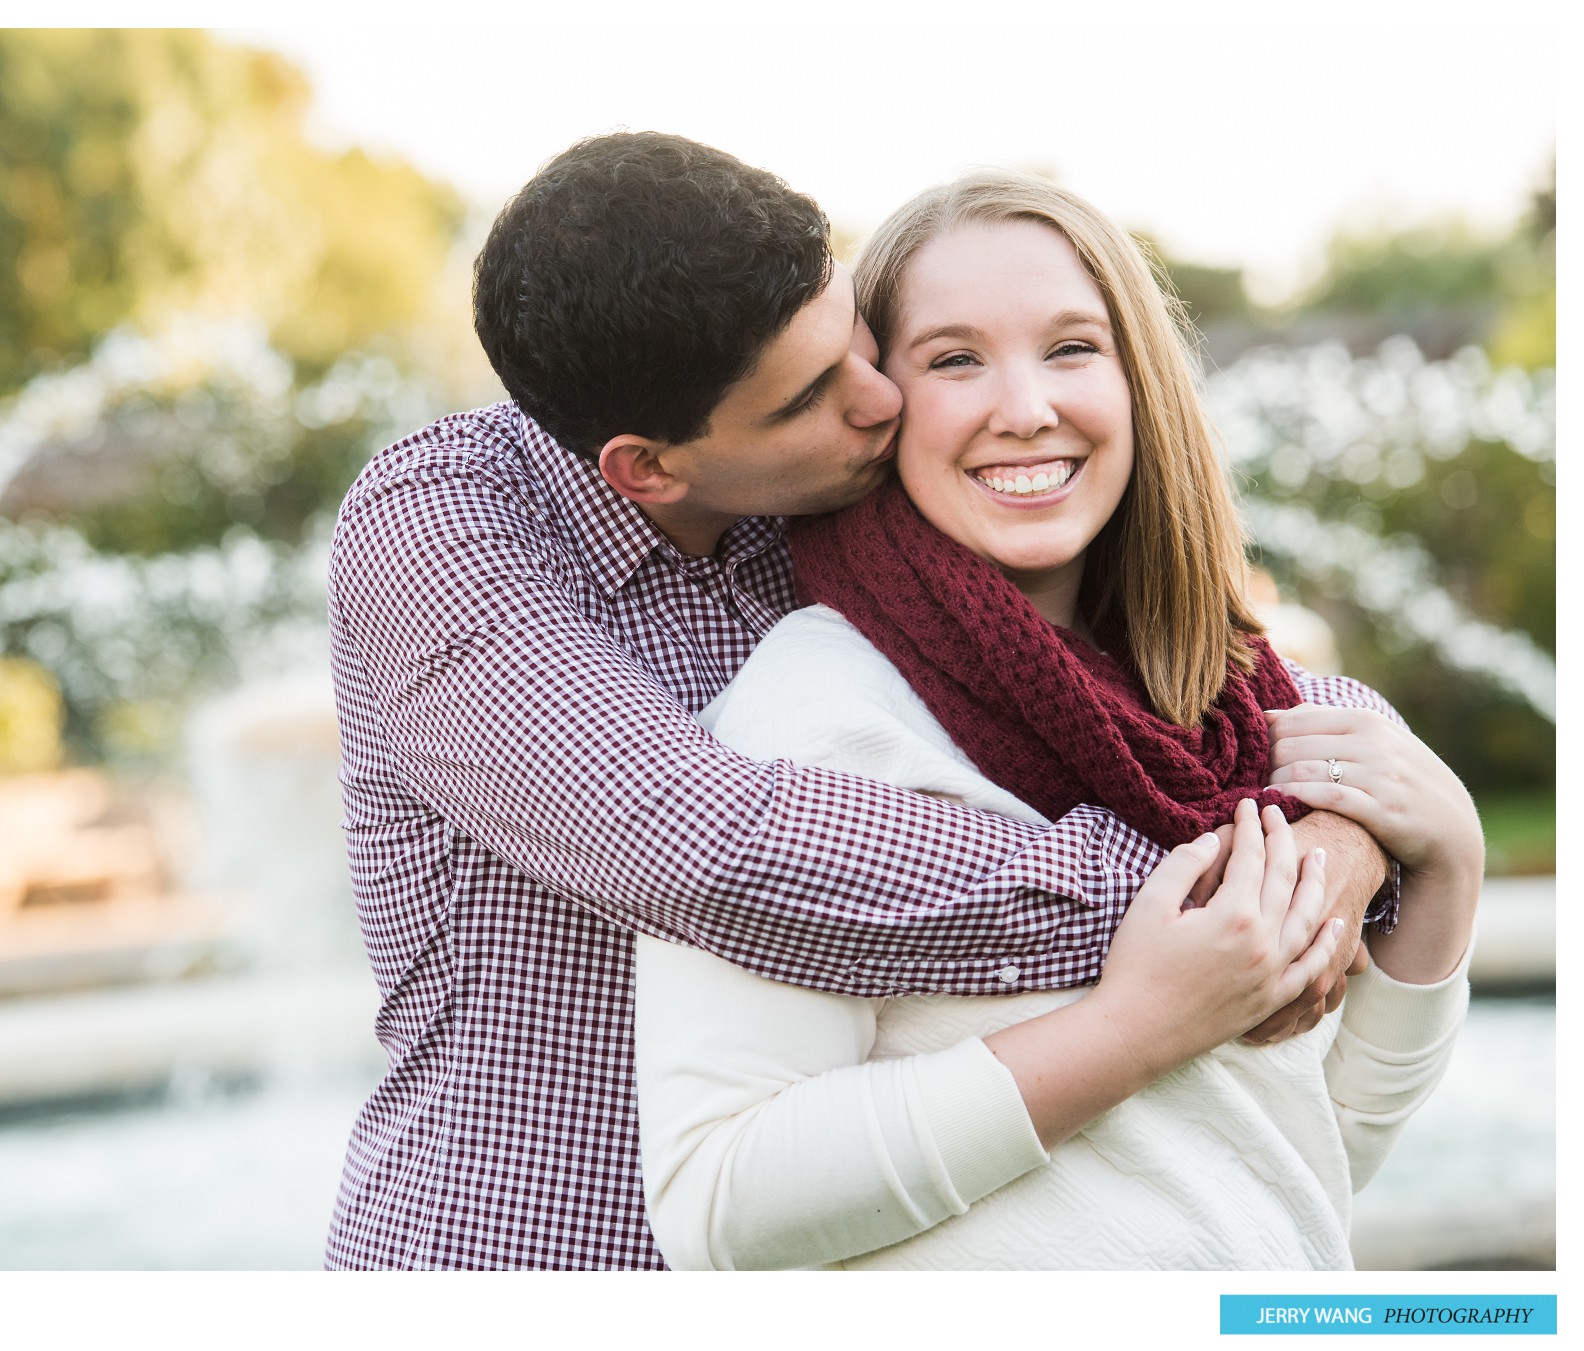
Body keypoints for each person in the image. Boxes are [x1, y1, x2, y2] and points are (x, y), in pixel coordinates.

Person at [323, 133, 1396, 1271]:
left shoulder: (828, 495)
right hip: (533, 1262)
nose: (880, 397)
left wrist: (1344, 823)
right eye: (815, 393)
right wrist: (1210, 894)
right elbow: (708, 848)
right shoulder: (445, 528)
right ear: (650, 469)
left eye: (860, 340)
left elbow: (1153, 660)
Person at [633, 172, 1483, 1270]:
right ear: (875, 401)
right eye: (954, 359)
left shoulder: (1235, 709)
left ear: (1141, 382)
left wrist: (1447, 865)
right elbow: (719, 1205)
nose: (1025, 406)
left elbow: (1307, 1155)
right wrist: (1131, 1031)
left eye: (1073, 347)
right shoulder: (816, 714)